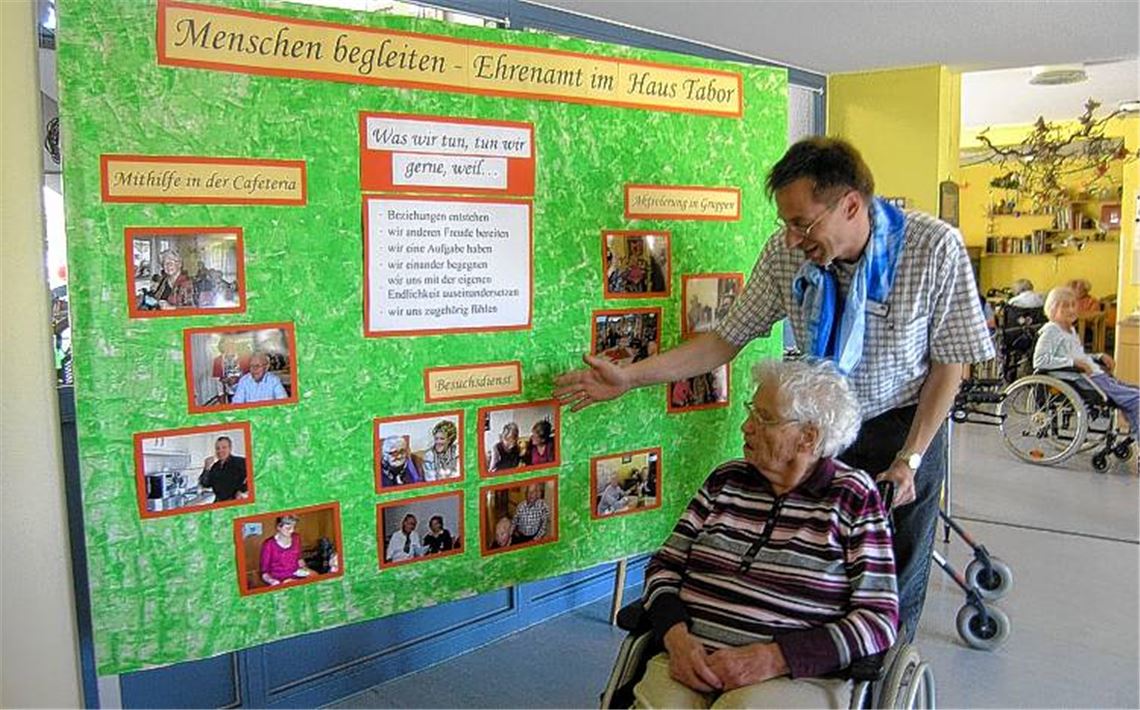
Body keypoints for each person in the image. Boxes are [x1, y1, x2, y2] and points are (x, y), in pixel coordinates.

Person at [556, 137, 993, 641]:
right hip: (817, 434)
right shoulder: (787, 258)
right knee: (811, 570)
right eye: (785, 222)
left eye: (802, 223)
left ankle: (875, 682)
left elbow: (950, 365)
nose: (790, 238)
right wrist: (630, 376)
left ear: (851, 204)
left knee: (889, 581)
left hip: (904, 428)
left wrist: (910, 459)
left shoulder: (934, 248)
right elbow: (724, 340)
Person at [636, 359, 896, 708]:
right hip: (689, 660)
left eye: (765, 418)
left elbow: (878, 618)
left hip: (791, 676)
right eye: (751, 412)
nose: (746, 426)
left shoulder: (853, 497)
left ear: (808, 437)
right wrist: (676, 638)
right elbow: (664, 566)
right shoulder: (725, 480)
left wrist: (775, 658)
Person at [1034, 286, 1138, 436]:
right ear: (1052, 308)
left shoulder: (1069, 329)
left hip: (1094, 376)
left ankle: (1134, 434)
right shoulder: (1051, 331)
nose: (1071, 310)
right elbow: (1040, 360)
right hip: (1080, 380)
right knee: (1136, 399)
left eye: (1073, 305)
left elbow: (1078, 355)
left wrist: (1098, 356)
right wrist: (1073, 363)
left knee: (1134, 395)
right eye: (1065, 306)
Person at [259, 515, 311, 586]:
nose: (292, 530)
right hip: (278, 579)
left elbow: (299, 559)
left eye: (294, 527)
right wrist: (271, 581)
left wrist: (305, 569)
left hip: (296, 575)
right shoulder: (268, 544)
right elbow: (264, 572)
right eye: (288, 528)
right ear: (278, 527)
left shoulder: (296, 538)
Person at [198, 435, 247, 502]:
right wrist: (206, 468)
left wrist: (241, 490)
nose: (220, 451)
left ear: (230, 448)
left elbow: (253, 477)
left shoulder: (241, 462)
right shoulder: (215, 466)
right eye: (217, 448)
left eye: (224, 447)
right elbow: (205, 484)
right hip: (218, 501)